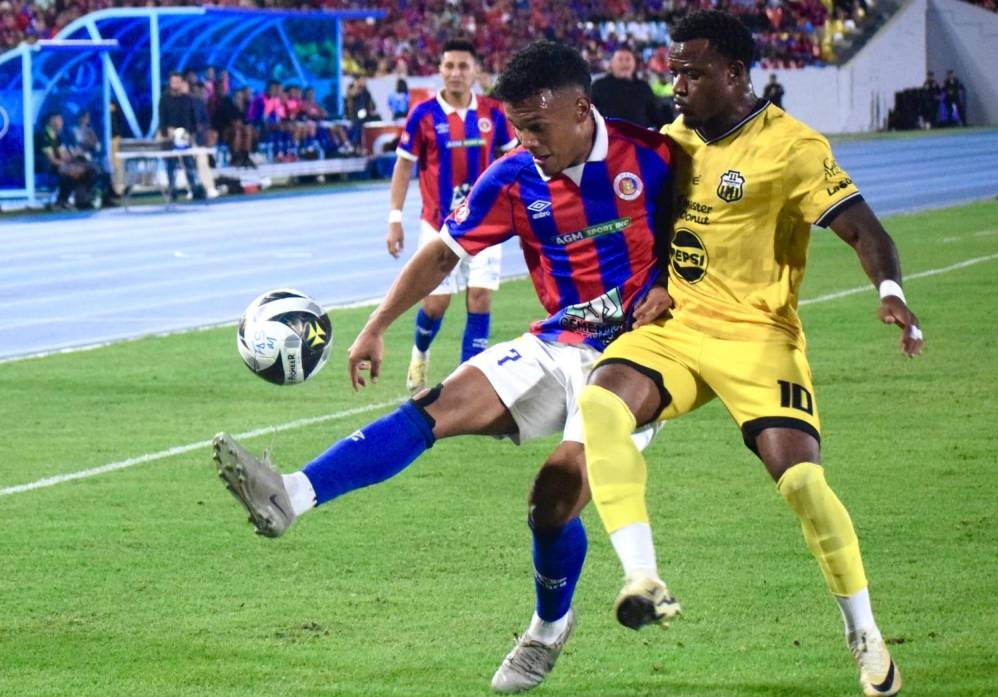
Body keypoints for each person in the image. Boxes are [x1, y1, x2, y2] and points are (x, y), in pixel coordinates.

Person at [211, 40, 675, 694]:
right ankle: (291, 494)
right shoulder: (514, 175)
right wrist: (375, 326)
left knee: (555, 493)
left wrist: (676, 287)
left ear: (580, 109)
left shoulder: (651, 156)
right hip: (555, 339)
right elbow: (442, 254)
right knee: (434, 407)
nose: (527, 141)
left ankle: (547, 628)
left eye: (537, 128)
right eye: (517, 128)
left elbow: (706, 235)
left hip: (633, 358)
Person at [578, 11, 921, 697]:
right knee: (599, 401)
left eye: (693, 72)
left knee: (802, 485)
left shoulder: (791, 146)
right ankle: (644, 575)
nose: (676, 84)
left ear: (735, 75)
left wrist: (889, 289)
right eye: (673, 69)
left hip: (758, 337)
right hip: (675, 324)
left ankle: (865, 632)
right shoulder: (669, 142)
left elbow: (861, 226)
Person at [385, 38, 517, 394]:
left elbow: (513, 162)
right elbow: (403, 167)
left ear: (476, 71)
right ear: (440, 71)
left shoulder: (494, 113)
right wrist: (394, 217)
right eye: (449, 66)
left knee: (480, 298)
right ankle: (420, 353)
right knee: (436, 302)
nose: (455, 73)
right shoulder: (423, 115)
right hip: (439, 225)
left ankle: (465, 385)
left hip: (486, 223)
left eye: (463, 66)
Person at [35, 111, 99, 210]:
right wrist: (68, 166)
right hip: (49, 166)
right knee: (74, 172)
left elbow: (64, 155)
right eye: (59, 120)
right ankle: (62, 201)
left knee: (90, 170)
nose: (61, 123)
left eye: (62, 120)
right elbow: (51, 160)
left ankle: (82, 201)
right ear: (52, 121)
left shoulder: (58, 136)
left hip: (61, 164)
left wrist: (74, 155)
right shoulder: (45, 136)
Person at [158, 71, 206, 201]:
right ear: (170, 83)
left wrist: (193, 132)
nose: (176, 84)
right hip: (170, 134)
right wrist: (165, 134)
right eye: (174, 82)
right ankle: (172, 190)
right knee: (171, 164)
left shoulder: (186, 99)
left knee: (188, 162)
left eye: (178, 82)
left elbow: (191, 117)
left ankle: (194, 187)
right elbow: (162, 118)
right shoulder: (164, 99)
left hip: (185, 134)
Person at [590, 47, 662, 128]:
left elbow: (656, 117)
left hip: (637, 138)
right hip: (609, 137)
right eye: (620, 60)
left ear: (634, 63)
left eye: (628, 59)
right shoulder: (599, 86)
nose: (624, 63)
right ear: (612, 64)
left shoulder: (644, 87)